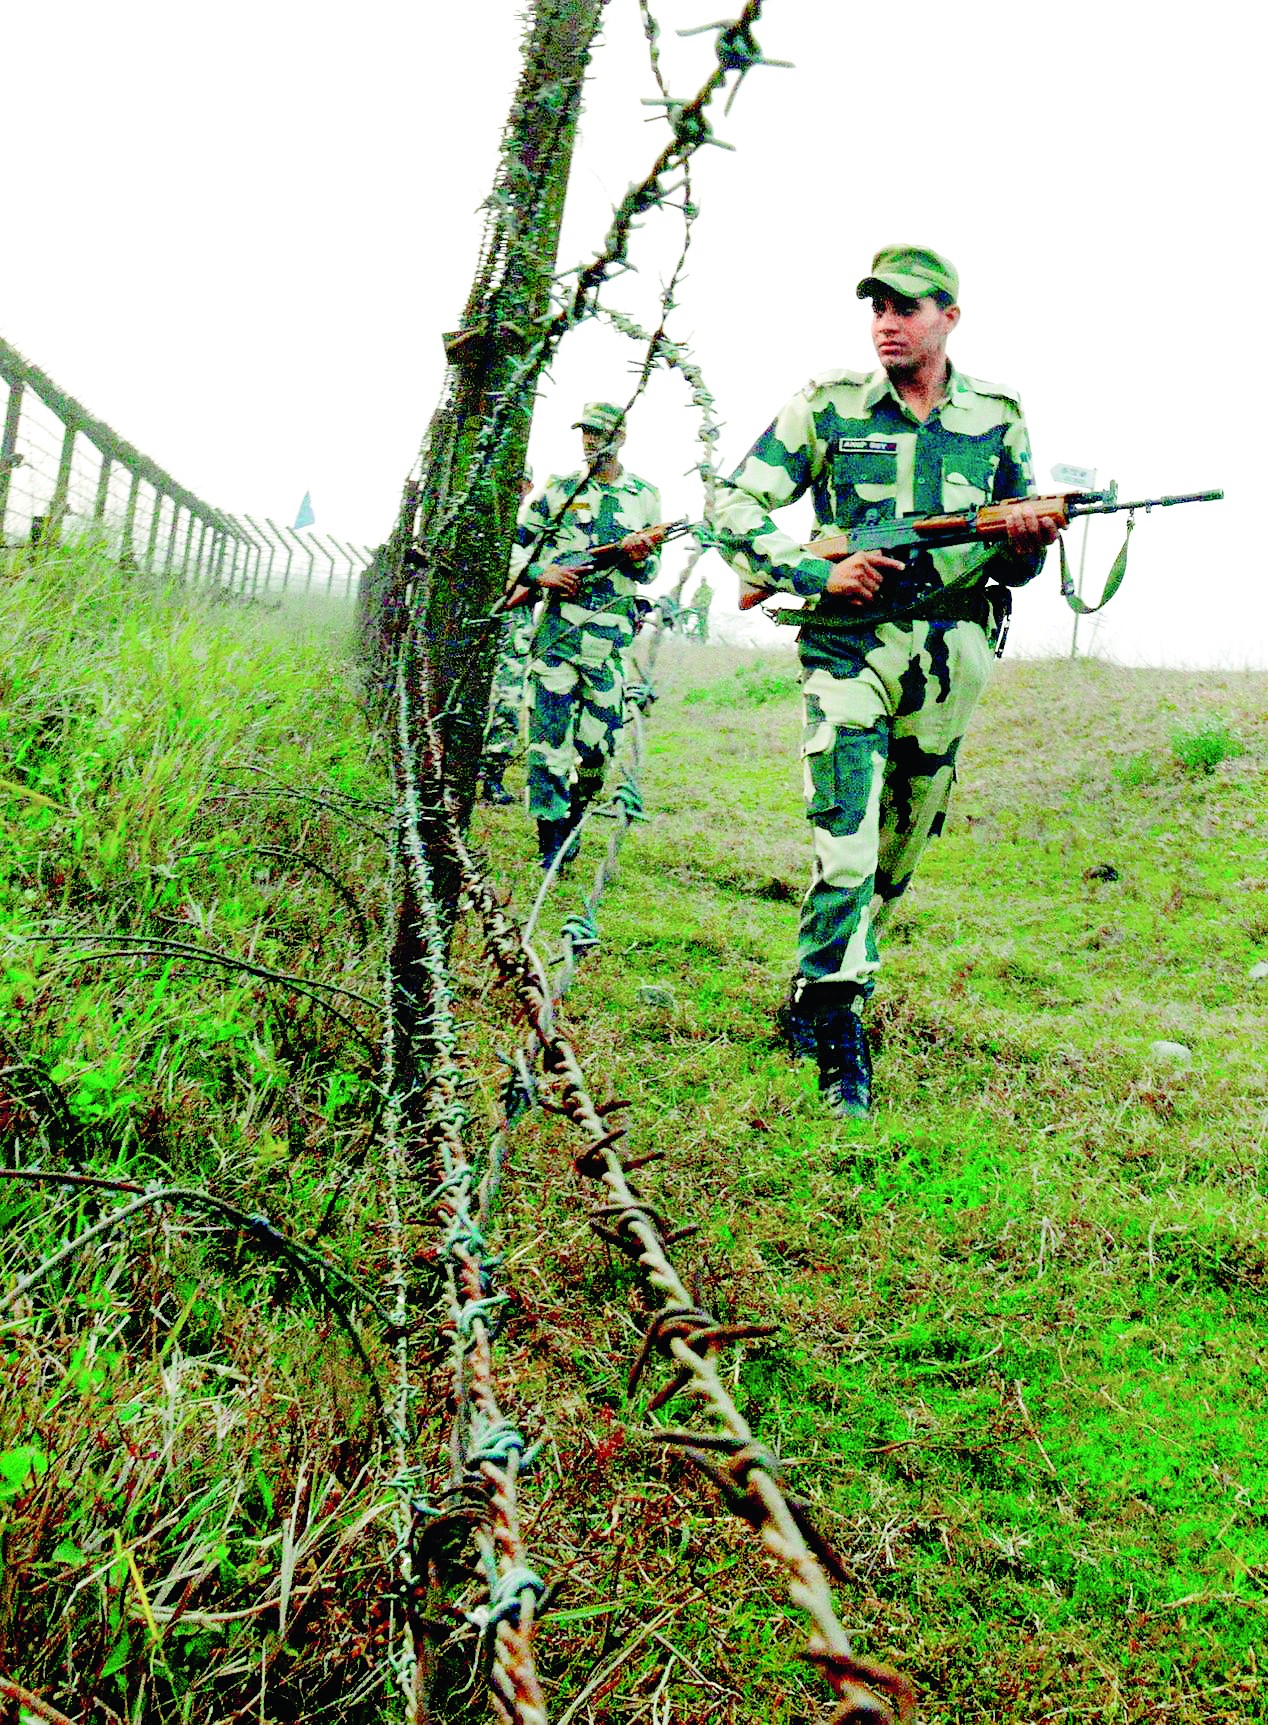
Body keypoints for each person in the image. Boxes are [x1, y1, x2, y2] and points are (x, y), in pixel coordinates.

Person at [710, 245, 1059, 1118]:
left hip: (950, 656)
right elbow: (730, 503)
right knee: (847, 832)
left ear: (949, 316)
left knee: (901, 845)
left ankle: (821, 981)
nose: (887, 323)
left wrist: (1026, 544)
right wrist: (811, 570)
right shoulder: (826, 406)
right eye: (876, 307)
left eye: (906, 307)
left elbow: (1014, 566)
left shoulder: (998, 417)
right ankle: (838, 1022)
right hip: (847, 651)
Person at [510, 403, 665, 867]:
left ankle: (576, 811)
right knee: (548, 742)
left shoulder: (644, 496)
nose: (591, 441)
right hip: (557, 639)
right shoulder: (558, 490)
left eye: (600, 432)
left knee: (598, 747)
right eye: (585, 433)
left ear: (622, 435)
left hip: (610, 644)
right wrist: (542, 573)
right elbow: (512, 547)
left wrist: (638, 555)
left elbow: (652, 570)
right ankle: (551, 834)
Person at [479, 466, 536, 806]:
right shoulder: (479, 529)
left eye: (520, 484)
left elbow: (531, 582)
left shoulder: (529, 535)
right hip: (472, 623)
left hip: (513, 627)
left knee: (507, 700)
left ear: (528, 488)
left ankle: (491, 775)